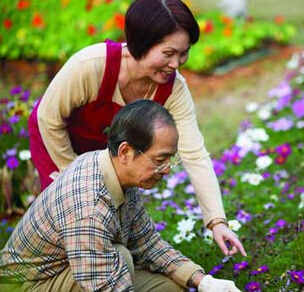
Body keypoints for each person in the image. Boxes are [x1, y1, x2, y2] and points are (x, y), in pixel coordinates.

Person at [28, 0, 246, 257]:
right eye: (168, 53)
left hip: (111, 156)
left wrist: (217, 221)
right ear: (140, 44)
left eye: (183, 53)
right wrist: (77, 180)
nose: (176, 63)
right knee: (72, 223)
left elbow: (195, 154)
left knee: (111, 227)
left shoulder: (173, 90)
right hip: (59, 144)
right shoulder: (91, 65)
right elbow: (48, 119)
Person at [1, 100, 242, 292]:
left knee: (168, 286)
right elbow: (102, 284)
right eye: (160, 160)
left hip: (80, 270)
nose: (167, 168)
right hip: (31, 284)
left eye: (170, 159)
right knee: (122, 257)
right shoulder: (88, 204)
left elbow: (147, 244)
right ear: (126, 151)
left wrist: (202, 281)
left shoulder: (117, 172)